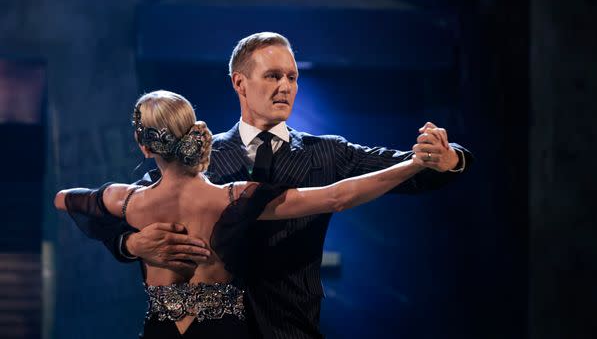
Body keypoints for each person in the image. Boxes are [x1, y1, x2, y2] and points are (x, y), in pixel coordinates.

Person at [101, 32, 473, 338]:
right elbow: (124, 211)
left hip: (292, 331)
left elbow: (410, 169)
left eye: (292, 77)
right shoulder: (196, 155)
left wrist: (449, 156)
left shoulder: (327, 154)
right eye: (273, 76)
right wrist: (131, 243)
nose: (285, 87)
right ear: (239, 83)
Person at [56, 90, 438, 338]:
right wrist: (413, 164)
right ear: (195, 135)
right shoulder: (233, 198)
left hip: (161, 330)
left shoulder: (127, 200)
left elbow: (64, 199)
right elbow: (337, 196)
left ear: (143, 146)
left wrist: (130, 240)